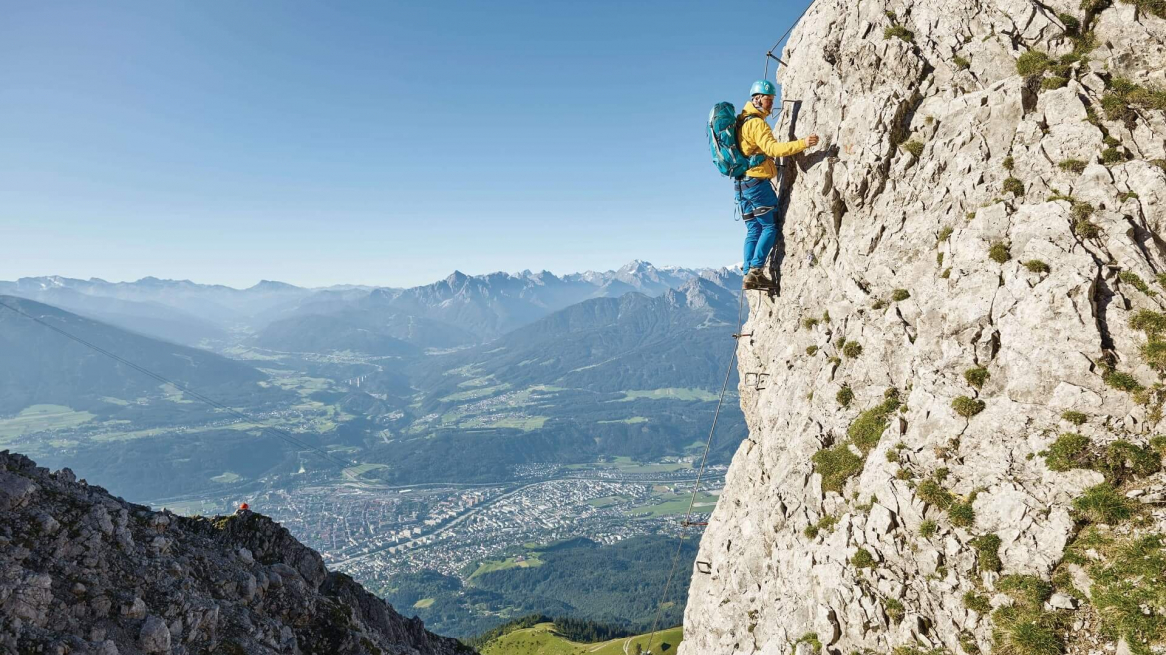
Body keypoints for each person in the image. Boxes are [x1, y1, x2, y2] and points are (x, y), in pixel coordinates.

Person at [736, 79, 820, 290]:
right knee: (769, 226)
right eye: (768, 99)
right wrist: (803, 143)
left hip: (741, 185)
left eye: (772, 100)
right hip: (757, 183)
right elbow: (773, 149)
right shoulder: (756, 123)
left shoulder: (740, 123)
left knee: (753, 229)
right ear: (757, 99)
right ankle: (756, 271)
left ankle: (747, 272)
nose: (770, 104)